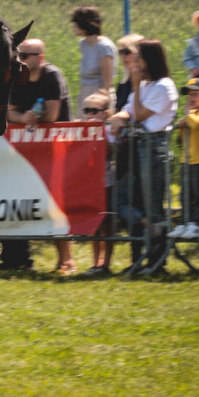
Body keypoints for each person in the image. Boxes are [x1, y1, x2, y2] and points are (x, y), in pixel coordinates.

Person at [1, 38, 74, 273]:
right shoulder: (15, 76)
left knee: (54, 205)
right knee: (20, 202)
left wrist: (30, 118)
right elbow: (9, 111)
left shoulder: (52, 76)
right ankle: (18, 258)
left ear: (40, 58)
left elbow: (52, 115)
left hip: (55, 151)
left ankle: (66, 259)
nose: (18, 59)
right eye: (17, 55)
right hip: (24, 151)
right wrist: (23, 118)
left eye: (24, 55)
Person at [109, 39, 178, 274]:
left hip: (154, 148)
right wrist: (118, 118)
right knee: (128, 201)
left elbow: (138, 114)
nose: (134, 62)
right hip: (139, 146)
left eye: (139, 58)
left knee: (153, 206)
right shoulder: (147, 85)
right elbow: (128, 110)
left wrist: (136, 86)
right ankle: (141, 255)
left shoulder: (163, 86)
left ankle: (157, 262)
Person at [169, 78, 199, 240]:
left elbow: (196, 124)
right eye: (190, 94)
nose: (191, 97)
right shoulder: (191, 114)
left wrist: (187, 115)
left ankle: (196, 223)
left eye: (196, 94)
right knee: (185, 194)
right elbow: (184, 135)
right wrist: (184, 121)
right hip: (187, 160)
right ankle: (184, 222)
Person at [81, 92, 115, 275]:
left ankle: (106, 264)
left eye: (94, 110)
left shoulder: (108, 129)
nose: (90, 114)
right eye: (87, 110)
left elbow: (110, 151)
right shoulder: (83, 128)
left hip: (106, 182)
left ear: (106, 113)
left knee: (107, 224)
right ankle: (96, 262)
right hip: (89, 183)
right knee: (93, 225)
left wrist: (99, 131)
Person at [72, 5, 117, 113]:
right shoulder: (83, 44)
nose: (73, 26)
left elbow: (107, 83)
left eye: (76, 22)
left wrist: (100, 105)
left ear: (86, 23)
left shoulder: (104, 46)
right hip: (85, 93)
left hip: (99, 96)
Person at [114, 33, 145, 114]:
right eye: (120, 52)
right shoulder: (123, 85)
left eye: (127, 51)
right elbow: (116, 113)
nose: (123, 56)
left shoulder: (149, 83)